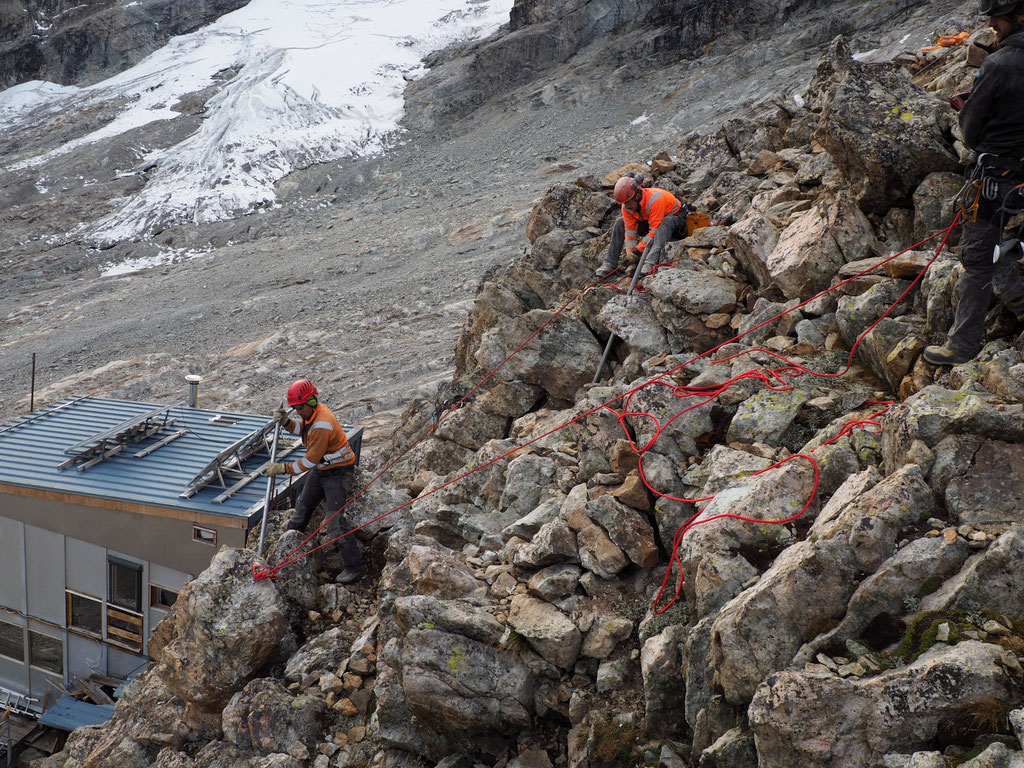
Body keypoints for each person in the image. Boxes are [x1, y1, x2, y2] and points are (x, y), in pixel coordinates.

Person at [923, 0, 1024, 366]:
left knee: (979, 255)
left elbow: (969, 130)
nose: (992, 25)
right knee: (1009, 243)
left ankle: (962, 346)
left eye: (996, 18)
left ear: (1019, 15)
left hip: (1000, 176)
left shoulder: (999, 65)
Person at [266, 379, 365, 583]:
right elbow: (302, 430)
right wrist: (286, 422)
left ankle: (354, 566)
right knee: (301, 509)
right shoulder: (313, 415)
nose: (298, 411)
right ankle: (288, 550)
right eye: (295, 408)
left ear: (311, 401)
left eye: (299, 407)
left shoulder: (322, 423)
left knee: (334, 521)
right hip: (322, 469)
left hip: (338, 472)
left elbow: (309, 460)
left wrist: (282, 468)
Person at [595, 174, 689, 279]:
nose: (626, 206)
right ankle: (610, 263)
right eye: (623, 204)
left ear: (637, 196)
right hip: (652, 223)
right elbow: (630, 233)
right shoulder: (627, 206)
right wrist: (631, 258)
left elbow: (654, 232)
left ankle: (649, 263)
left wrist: (637, 252)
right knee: (620, 222)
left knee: (665, 223)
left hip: (676, 224)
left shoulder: (655, 199)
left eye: (627, 203)